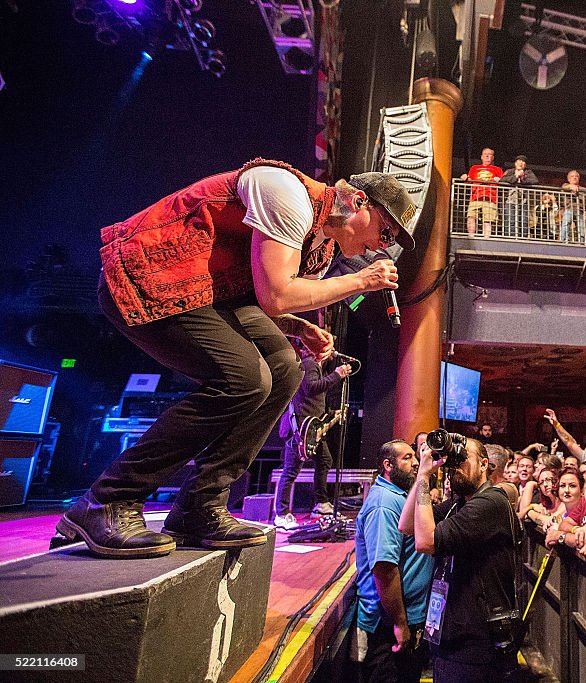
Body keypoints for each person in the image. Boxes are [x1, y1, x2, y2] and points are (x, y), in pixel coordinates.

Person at [57, 160, 412, 558]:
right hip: (152, 275)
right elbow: (276, 295)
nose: (383, 246)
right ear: (359, 202)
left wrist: (302, 329)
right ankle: (107, 499)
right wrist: (362, 281)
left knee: (284, 368)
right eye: (386, 231)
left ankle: (199, 505)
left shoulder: (321, 246)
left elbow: (267, 299)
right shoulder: (287, 192)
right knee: (245, 377)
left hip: (210, 298)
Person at [399, 437, 523, 681]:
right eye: (453, 460)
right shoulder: (459, 503)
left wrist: (424, 477)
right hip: (448, 637)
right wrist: (424, 475)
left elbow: (425, 542)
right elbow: (406, 524)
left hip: (476, 645)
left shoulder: (491, 502)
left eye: (462, 458)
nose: (455, 464)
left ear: (484, 464)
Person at [355, 440, 432, 683]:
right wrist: (400, 623)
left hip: (406, 618)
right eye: (407, 458)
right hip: (389, 627)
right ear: (388, 465)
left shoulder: (398, 496)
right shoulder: (384, 505)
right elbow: (385, 569)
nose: (416, 462)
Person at [273, 340, 352, 530]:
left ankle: (321, 503)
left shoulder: (315, 366)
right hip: (300, 429)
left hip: (312, 428)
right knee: (291, 470)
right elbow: (311, 387)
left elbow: (313, 397)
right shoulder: (309, 363)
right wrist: (337, 375)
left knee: (324, 460)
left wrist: (331, 415)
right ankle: (281, 513)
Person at [460, 148, 502, 237]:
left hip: (491, 198)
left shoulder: (497, 169)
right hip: (475, 196)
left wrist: (500, 180)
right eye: (485, 154)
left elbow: (503, 182)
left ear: (492, 157)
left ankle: (487, 238)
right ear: (481, 157)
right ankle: (471, 237)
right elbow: (469, 179)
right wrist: (464, 177)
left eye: (489, 154)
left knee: (488, 220)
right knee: (471, 217)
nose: (487, 156)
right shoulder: (474, 168)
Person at [499, 155, 538, 237]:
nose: (521, 163)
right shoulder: (510, 171)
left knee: (524, 221)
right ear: (515, 163)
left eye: (523, 162)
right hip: (510, 200)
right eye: (519, 161)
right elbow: (502, 180)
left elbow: (535, 181)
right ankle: (510, 238)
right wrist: (515, 176)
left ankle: (523, 238)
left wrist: (523, 177)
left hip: (523, 201)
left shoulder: (528, 172)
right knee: (510, 220)